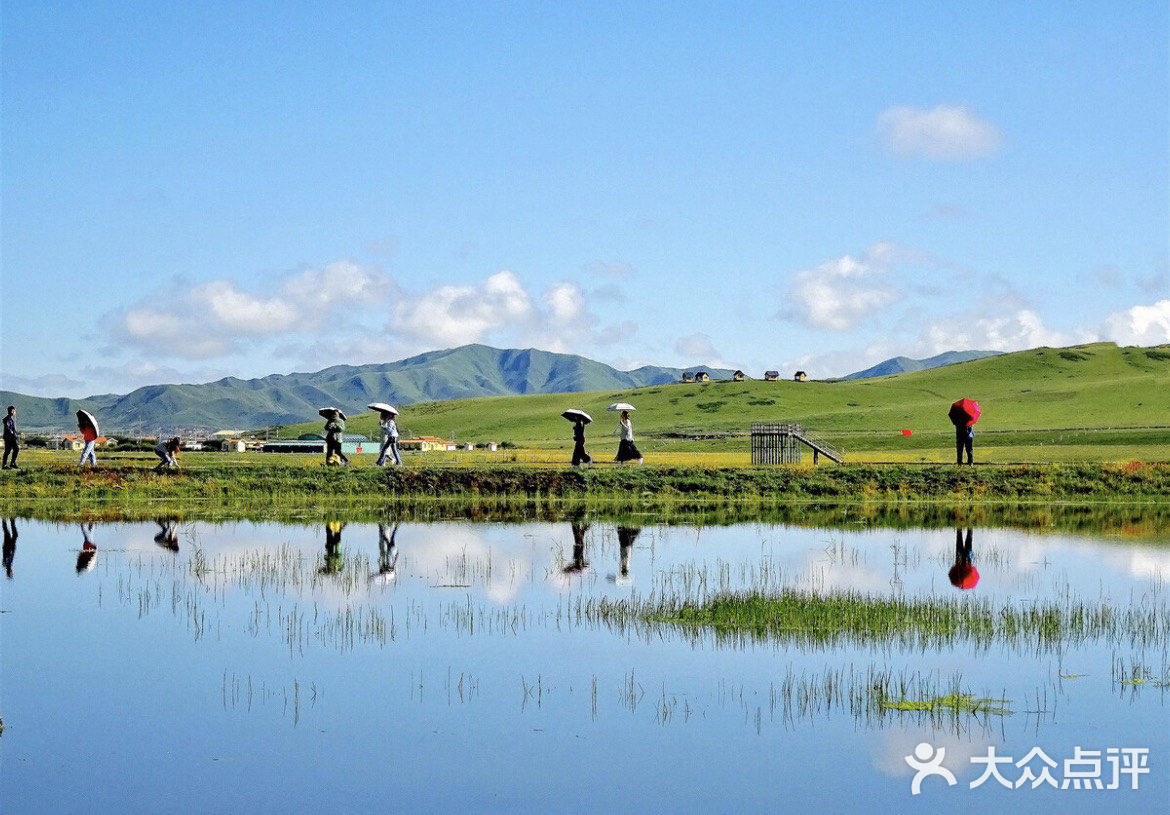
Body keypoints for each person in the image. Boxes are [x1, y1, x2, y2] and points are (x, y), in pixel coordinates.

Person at [2, 406, 19, 470]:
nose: (15, 412)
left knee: (10, 450)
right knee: (10, 450)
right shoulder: (8, 419)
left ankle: (9, 464)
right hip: (9, 438)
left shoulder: (9, 419)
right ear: (12, 411)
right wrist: (12, 434)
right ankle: (7, 464)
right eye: (14, 411)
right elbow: (8, 428)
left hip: (9, 437)